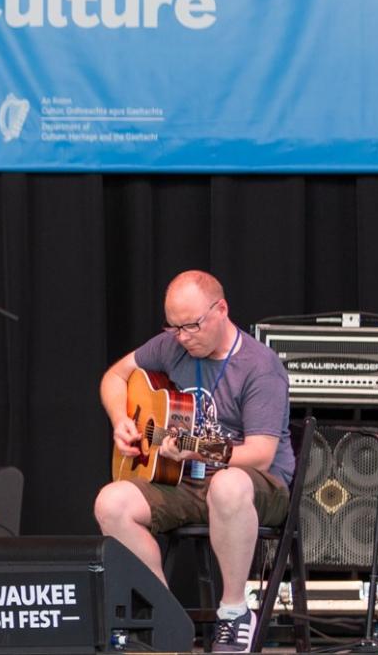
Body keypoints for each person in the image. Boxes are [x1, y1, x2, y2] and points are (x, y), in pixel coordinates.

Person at [94, 270, 293, 653]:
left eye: (191, 326)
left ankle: (235, 613)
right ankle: (164, 615)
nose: (183, 337)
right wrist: (121, 419)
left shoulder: (259, 366)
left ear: (221, 310)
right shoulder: (174, 346)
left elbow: (261, 454)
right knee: (111, 502)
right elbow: (115, 377)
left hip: (256, 486)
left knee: (228, 483)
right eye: (174, 327)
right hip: (186, 480)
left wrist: (198, 449)